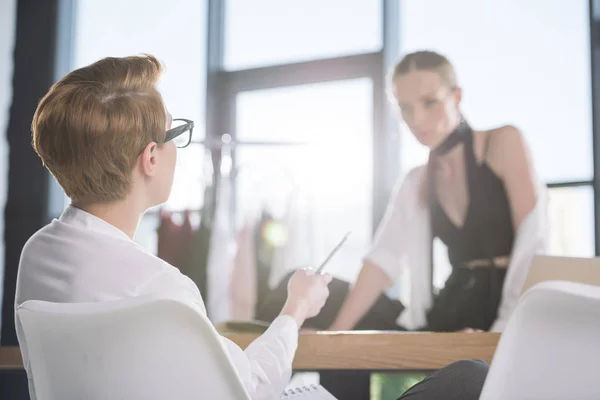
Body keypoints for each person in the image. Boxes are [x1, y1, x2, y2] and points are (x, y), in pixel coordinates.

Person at [14, 54, 491, 400]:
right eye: (175, 133)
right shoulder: (163, 290)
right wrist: (296, 310)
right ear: (151, 158)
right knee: (470, 377)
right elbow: (254, 389)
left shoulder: (38, 256)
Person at [328, 50, 547, 333]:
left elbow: (532, 246)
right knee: (318, 294)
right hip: (449, 311)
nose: (417, 119)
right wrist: (336, 330)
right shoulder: (416, 181)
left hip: (507, 308)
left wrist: (502, 331)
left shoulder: (503, 142)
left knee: (469, 372)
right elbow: (383, 258)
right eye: (405, 108)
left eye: (430, 102)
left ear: (456, 97)